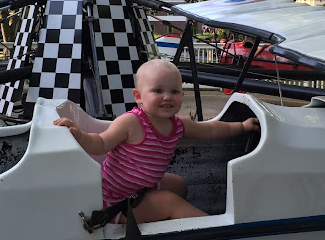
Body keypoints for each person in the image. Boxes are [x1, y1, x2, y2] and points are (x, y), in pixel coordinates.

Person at [53, 59, 260, 224]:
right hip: (117, 203)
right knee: (170, 202)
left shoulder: (177, 124)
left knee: (178, 184)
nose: (167, 97)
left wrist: (241, 126)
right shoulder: (131, 122)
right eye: (158, 91)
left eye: (174, 91)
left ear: (181, 94)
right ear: (138, 96)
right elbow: (100, 143)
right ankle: (214, 230)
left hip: (142, 189)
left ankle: (168, 226)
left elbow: (209, 129)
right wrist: (79, 135)